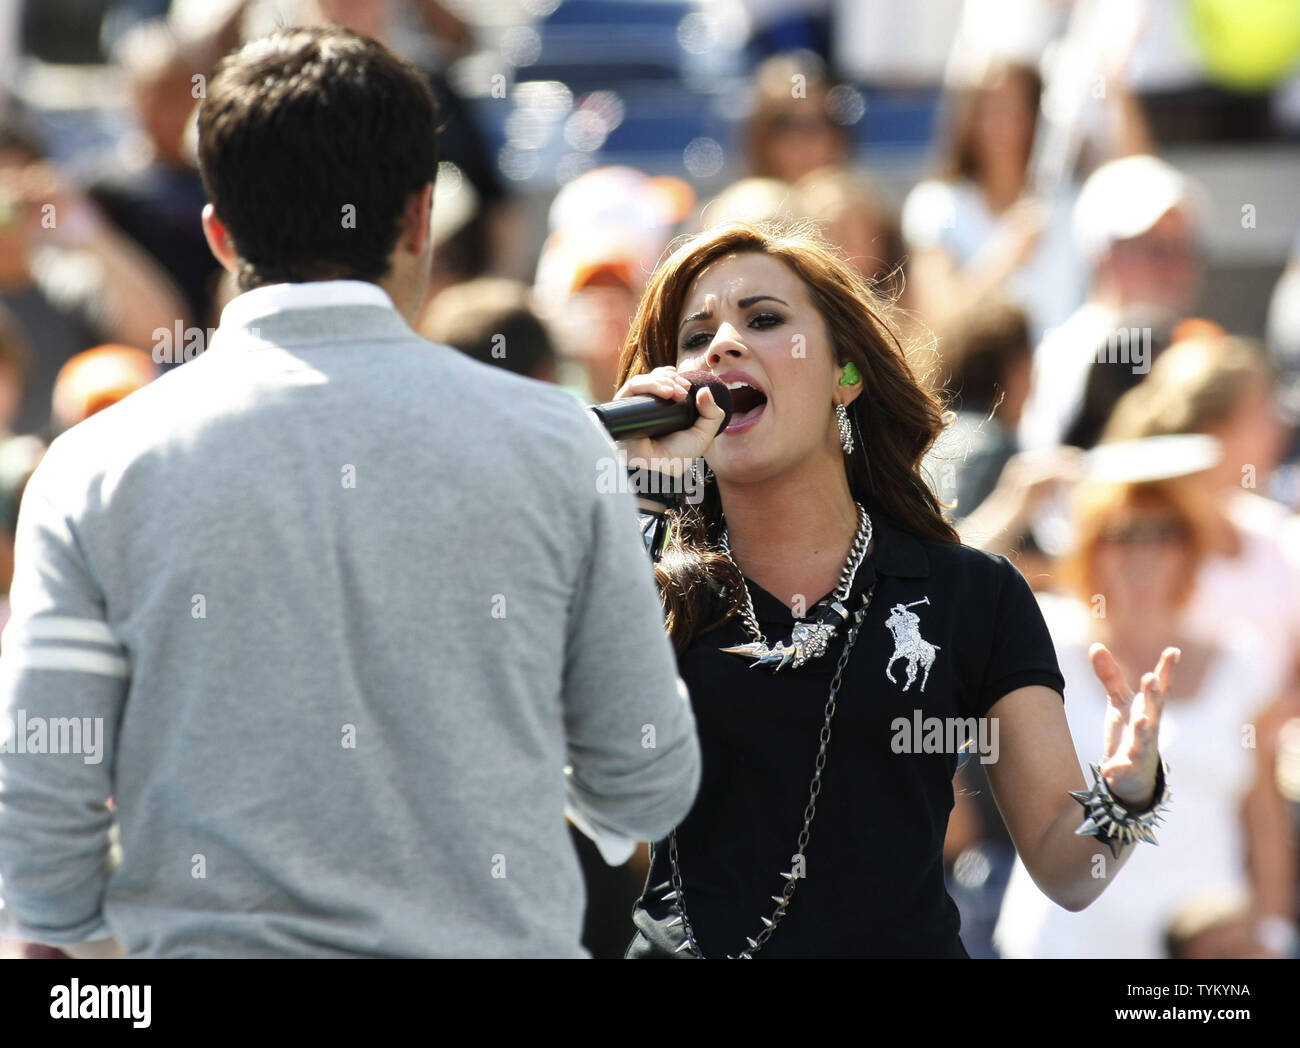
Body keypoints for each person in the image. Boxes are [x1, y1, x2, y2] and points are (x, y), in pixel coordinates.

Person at [0, 25, 701, 959]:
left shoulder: (90, 470)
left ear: (217, 231)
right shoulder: (556, 447)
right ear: (420, 220)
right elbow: (646, 779)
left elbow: (41, 809)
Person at [609, 220, 1179, 958]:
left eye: (765, 319)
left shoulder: (971, 594)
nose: (721, 345)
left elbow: (1069, 871)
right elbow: (585, 785)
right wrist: (632, 506)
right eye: (694, 338)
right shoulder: (637, 579)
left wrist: (1129, 792)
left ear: (846, 372)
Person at [995, 477, 1288, 958]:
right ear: (1089, 547)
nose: (1142, 552)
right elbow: (942, 604)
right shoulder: (1040, 640)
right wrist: (1016, 504)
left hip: (1208, 944)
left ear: (1190, 549)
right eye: (1122, 533)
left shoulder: (1241, 662)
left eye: (1164, 533)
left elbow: (1263, 816)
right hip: (1069, 939)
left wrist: (1271, 931)